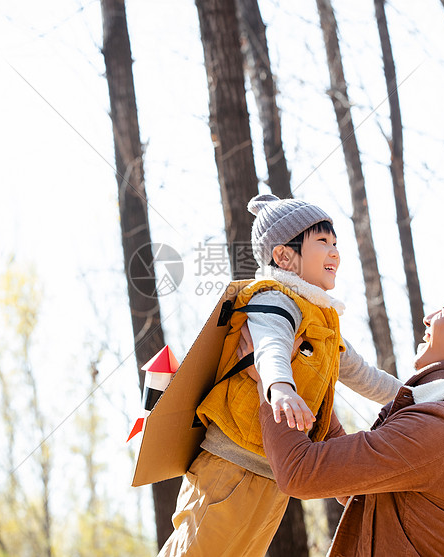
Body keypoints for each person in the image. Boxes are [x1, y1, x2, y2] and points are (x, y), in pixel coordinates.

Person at [157, 194, 402, 557]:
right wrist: (280, 387)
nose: (334, 251)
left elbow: (365, 375)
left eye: (336, 243)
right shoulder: (275, 299)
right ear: (284, 256)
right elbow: (271, 345)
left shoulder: (321, 319)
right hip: (230, 465)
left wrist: (420, 396)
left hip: (271, 478)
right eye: (322, 242)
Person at [250, 263, 444, 557]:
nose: (428, 319)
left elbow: (300, 472)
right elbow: (354, 486)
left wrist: (272, 381)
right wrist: (307, 384)